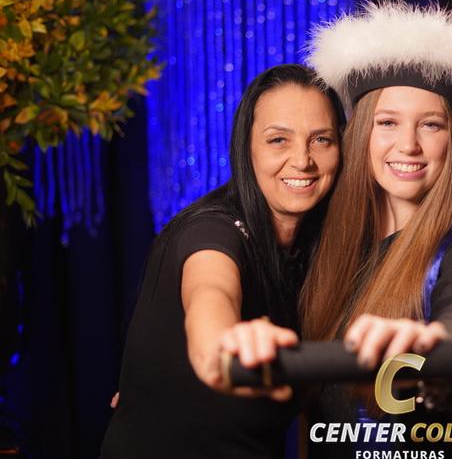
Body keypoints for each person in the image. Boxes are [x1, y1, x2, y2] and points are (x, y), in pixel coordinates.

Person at [101, 64, 345, 459]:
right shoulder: (212, 230)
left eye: (321, 139)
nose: (302, 160)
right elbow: (210, 292)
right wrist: (223, 347)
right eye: (278, 140)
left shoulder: (314, 250)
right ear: (246, 148)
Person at [301, 0, 452, 459]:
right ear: (361, 132)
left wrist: (441, 348)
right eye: (388, 122)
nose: (409, 145)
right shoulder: (326, 245)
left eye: (430, 125)